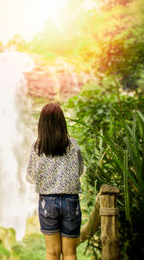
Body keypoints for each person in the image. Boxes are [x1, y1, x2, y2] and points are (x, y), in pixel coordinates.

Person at [26, 102, 84, 260]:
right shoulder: (73, 144)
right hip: (70, 200)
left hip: (47, 202)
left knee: (52, 253)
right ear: (62, 121)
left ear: (42, 124)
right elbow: (80, 171)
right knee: (70, 253)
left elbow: (31, 176)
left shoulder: (38, 146)